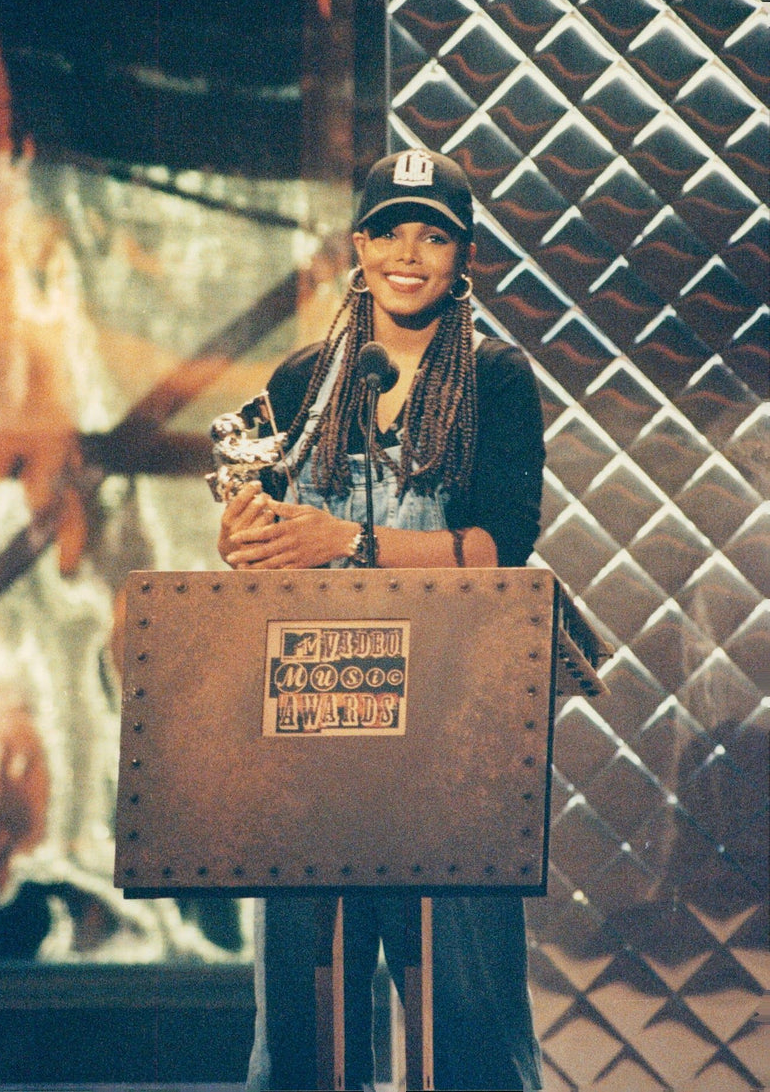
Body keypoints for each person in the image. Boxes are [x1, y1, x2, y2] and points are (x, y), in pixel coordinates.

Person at [218, 147, 545, 1091]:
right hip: (312, 742)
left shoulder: (497, 381)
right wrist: (250, 540)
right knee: (304, 1038)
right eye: (390, 229)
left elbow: (497, 551)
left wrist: (343, 540)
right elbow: (270, 549)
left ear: (463, 254)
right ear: (357, 244)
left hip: (453, 747)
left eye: (433, 234)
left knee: (472, 1029)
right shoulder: (300, 383)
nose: (409, 252)